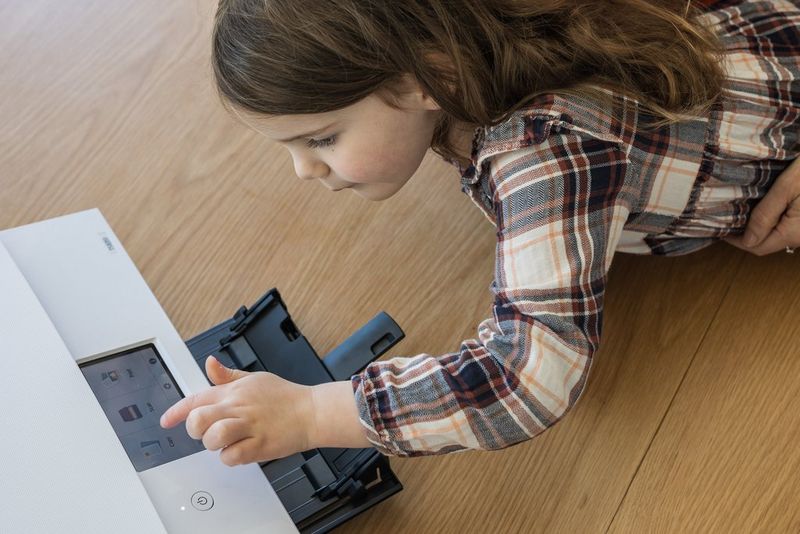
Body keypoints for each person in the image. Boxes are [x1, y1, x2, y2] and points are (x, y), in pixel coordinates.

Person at [161, 0, 800, 464]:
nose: (304, 171)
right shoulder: (463, 38)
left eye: (322, 138)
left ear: (424, 77)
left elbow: (524, 379)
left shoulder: (544, 150)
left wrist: (312, 413)